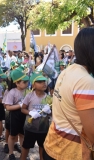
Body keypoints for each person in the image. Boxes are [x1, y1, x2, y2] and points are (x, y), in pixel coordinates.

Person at [44, 27, 94, 160]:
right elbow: (92, 132)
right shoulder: (85, 81)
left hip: (53, 144)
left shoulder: (68, 71)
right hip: (71, 152)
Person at [20, 72, 52, 160]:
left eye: (44, 81)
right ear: (33, 85)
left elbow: (53, 113)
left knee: (42, 147)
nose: (43, 83)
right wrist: (30, 113)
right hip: (30, 128)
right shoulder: (29, 96)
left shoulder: (49, 98)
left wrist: (49, 111)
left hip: (43, 129)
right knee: (26, 146)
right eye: (40, 82)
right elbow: (23, 109)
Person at [5, 68, 30, 160]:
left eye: (27, 81)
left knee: (22, 135)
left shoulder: (28, 91)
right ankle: (11, 153)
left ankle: (23, 154)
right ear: (17, 83)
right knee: (12, 135)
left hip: (24, 115)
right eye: (24, 82)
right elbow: (8, 107)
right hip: (15, 115)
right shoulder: (12, 92)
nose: (27, 83)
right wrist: (20, 105)